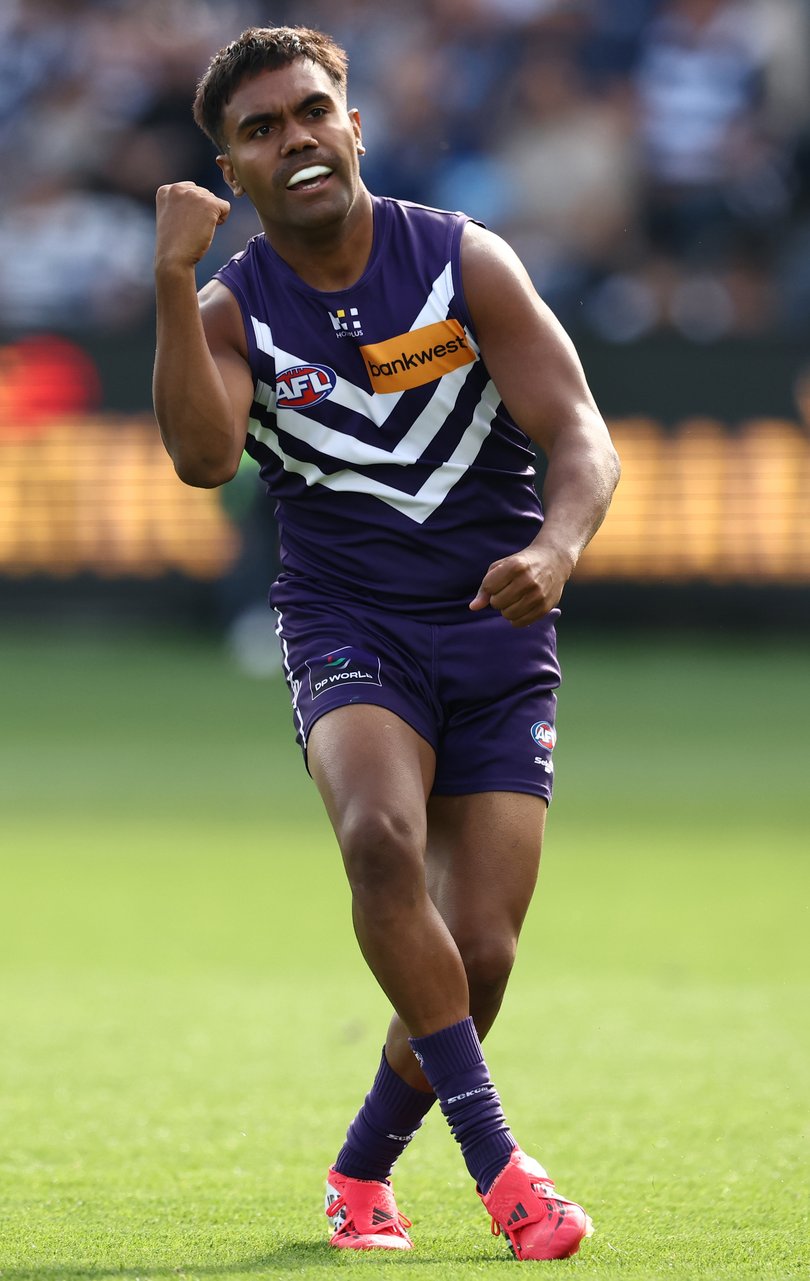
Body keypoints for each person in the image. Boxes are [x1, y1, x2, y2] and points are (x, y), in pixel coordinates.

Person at [153, 25, 620, 1261]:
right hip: (347, 622)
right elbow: (204, 462)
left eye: (312, 112)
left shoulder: (464, 260)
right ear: (233, 171)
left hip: (496, 628)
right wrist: (168, 283)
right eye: (260, 130)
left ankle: (361, 1173)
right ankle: (501, 1165)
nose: (295, 138)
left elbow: (579, 432)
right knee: (378, 840)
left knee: (483, 954)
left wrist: (558, 551)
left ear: (354, 125)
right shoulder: (228, 308)